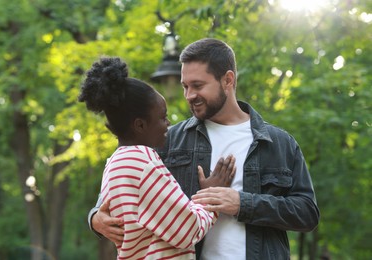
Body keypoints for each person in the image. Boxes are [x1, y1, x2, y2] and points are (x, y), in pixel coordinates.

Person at [88, 39, 320, 259]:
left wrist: (242, 203)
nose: (189, 95)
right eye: (185, 86)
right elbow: (122, 186)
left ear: (228, 80)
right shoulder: (167, 139)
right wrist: (96, 217)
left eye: (198, 85)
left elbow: (307, 213)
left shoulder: (280, 143)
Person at [79, 56, 236, 259]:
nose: (168, 123)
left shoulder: (115, 163)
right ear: (140, 125)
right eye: (162, 117)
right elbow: (187, 231)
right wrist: (209, 196)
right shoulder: (143, 163)